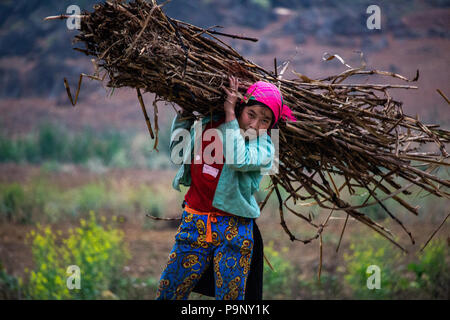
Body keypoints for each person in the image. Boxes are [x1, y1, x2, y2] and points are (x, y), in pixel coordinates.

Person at [156, 75, 296, 300]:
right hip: (194, 224)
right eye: (251, 114)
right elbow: (180, 153)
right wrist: (184, 114)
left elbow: (238, 159)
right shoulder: (210, 123)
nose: (254, 125)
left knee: (230, 301)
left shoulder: (265, 147)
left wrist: (231, 114)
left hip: (234, 232)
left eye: (265, 121)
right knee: (168, 293)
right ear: (243, 107)